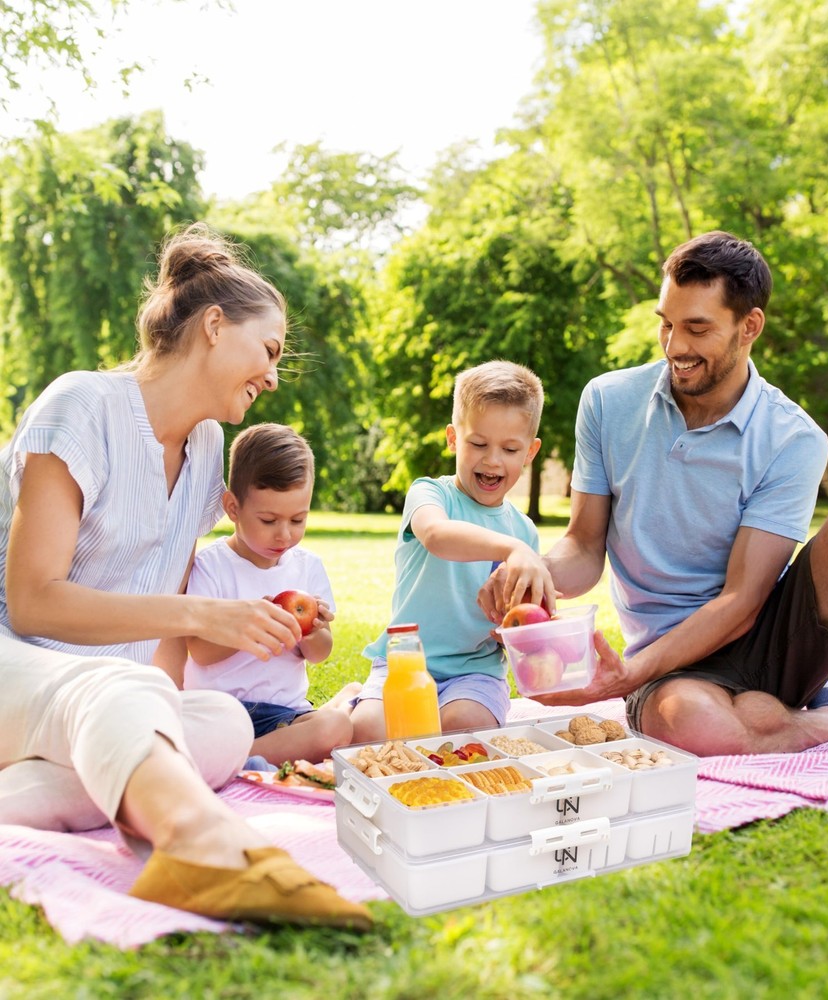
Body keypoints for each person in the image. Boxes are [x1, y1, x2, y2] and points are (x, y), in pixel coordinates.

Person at [480, 231, 828, 756]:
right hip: (672, 662)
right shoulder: (607, 402)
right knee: (696, 727)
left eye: (697, 328)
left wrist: (626, 674)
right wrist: (535, 576)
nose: (675, 347)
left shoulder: (793, 437)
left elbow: (742, 601)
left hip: (768, 636)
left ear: (749, 326)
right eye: (666, 324)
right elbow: (585, 545)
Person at [0, 223, 372, 929]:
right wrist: (202, 618)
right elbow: (33, 601)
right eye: (268, 351)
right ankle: (200, 844)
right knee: (119, 691)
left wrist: (158, 698)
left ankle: (66, 784)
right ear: (212, 327)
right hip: (16, 666)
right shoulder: (81, 405)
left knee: (221, 721)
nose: (271, 374)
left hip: (93, 701)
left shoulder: (207, 449)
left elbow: (162, 615)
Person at [351, 360, 556, 742]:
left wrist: (515, 634)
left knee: (464, 730)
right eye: (478, 443)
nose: (492, 460)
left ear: (530, 452)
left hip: (474, 673)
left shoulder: (524, 532)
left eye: (510, 449)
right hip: (405, 661)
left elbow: (520, 622)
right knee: (369, 734)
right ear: (452, 439)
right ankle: (357, 701)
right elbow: (437, 536)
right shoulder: (430, 494)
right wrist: (512, 549)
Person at [183, 422, 356, 766]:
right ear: (233, 508)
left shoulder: (307, 567)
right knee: (335, 726)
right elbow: (199, 652)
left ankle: (231, 761)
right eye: (268, 520)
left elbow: (320, 654)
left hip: (285, 713)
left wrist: (313, 630)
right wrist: (244, 626)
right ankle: (233, 757)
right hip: (222, 711)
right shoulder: (212, 566)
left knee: (335, 727)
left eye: (298, 520)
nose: (284, 535)